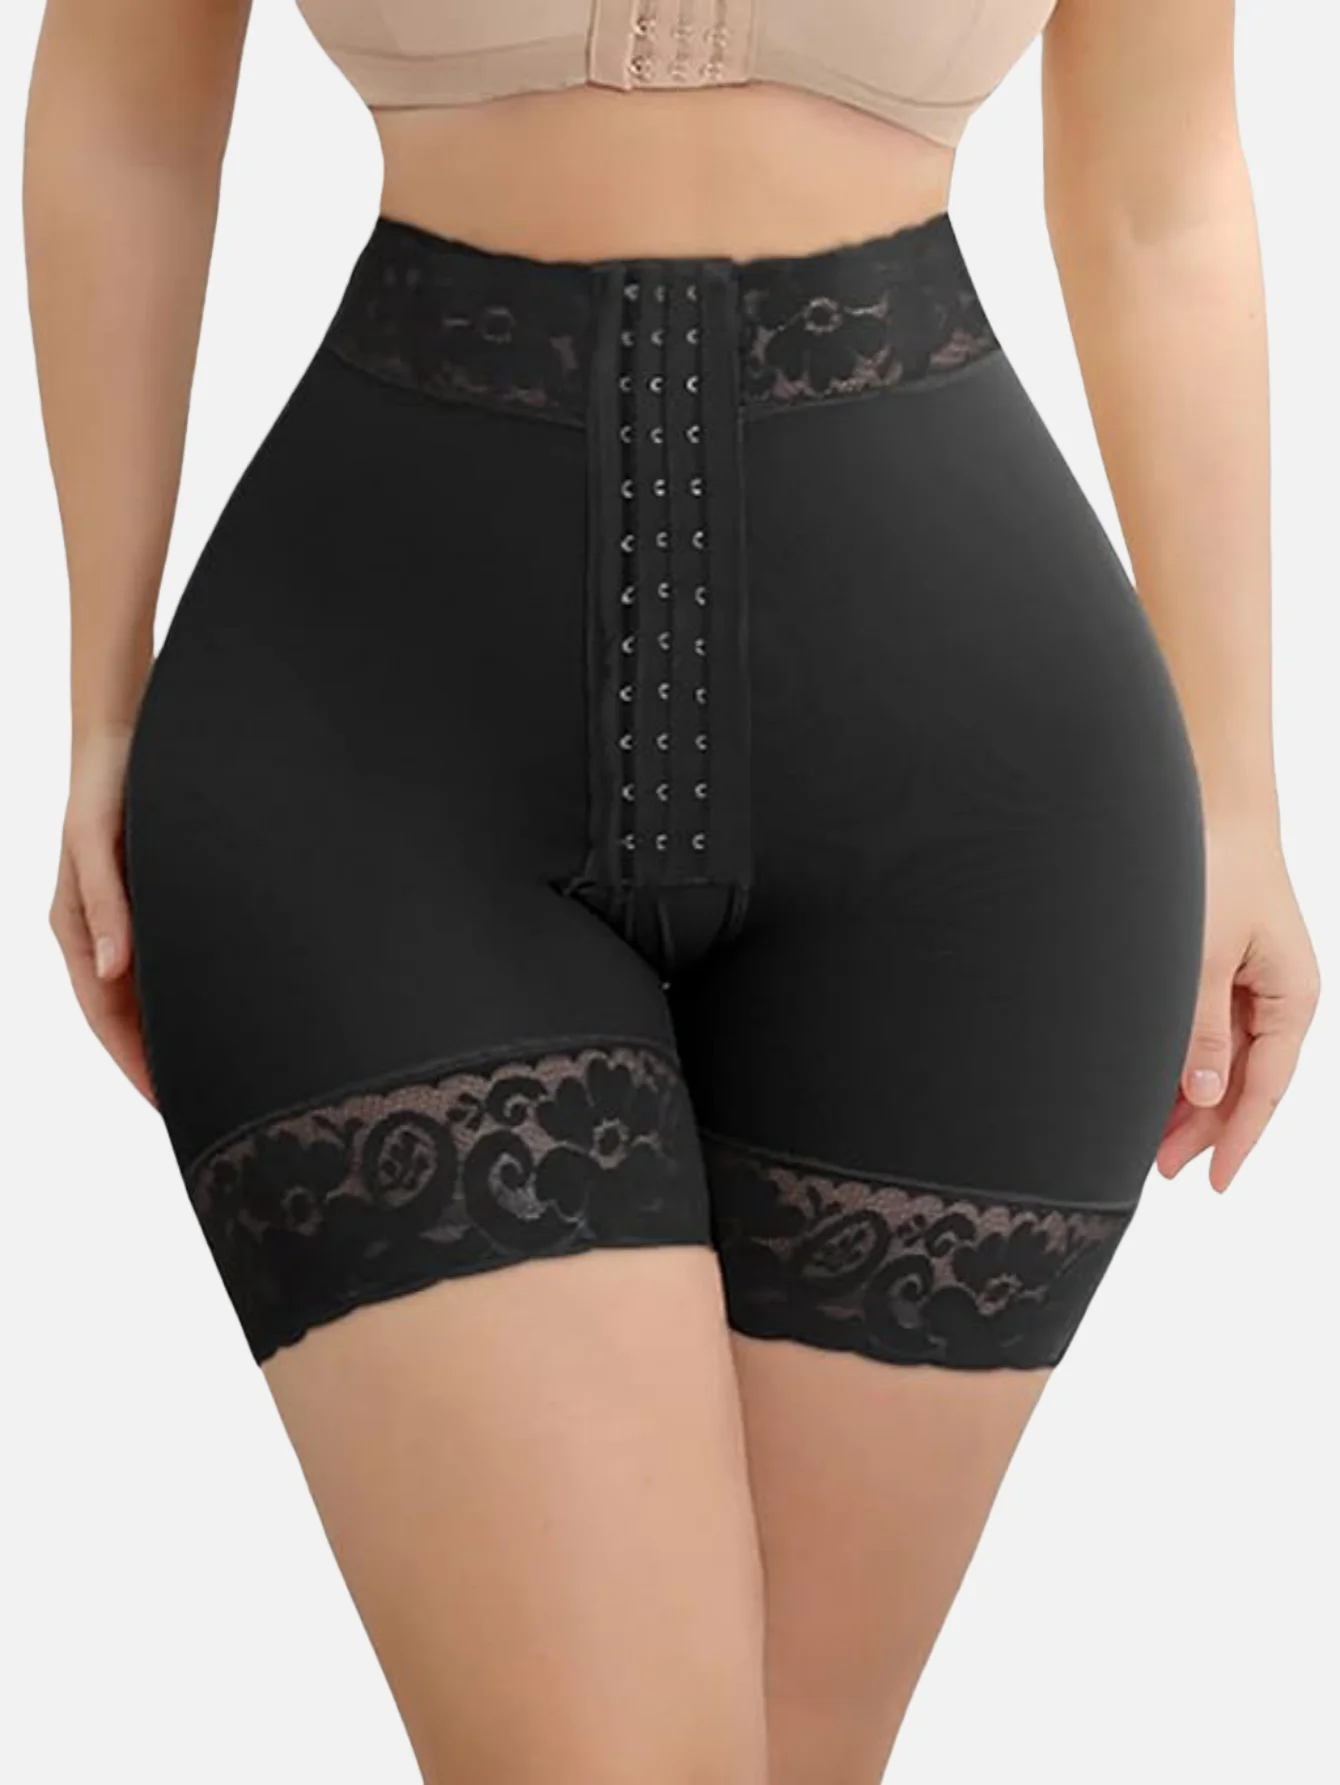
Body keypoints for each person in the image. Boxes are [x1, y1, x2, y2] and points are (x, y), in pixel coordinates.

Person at [25, 2, 1320, 1780]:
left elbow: (1162, 197)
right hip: (371, 741)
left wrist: (1241, 791)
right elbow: (122, 116)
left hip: (985, 792)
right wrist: (100, 705)